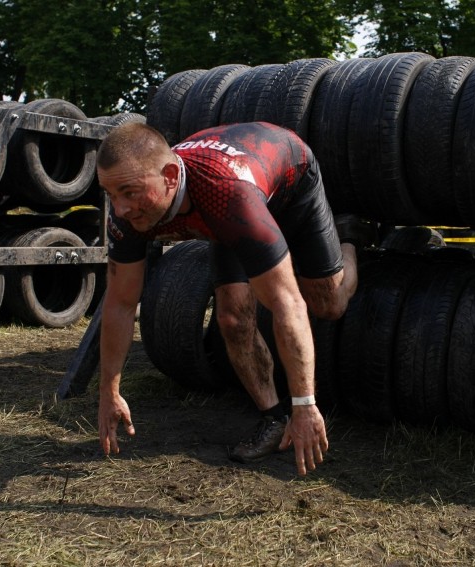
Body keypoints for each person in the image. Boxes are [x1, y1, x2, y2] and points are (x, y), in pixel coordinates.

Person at [96, 121, 375, 476]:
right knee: (232, 319)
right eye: (110, 194)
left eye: (129, 193)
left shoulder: (226, 194)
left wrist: (306, 405)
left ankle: (349, 238)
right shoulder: (129, 213)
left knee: (328, 304)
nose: (119, 208)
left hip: (290, 179)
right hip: (225, 210)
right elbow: (120, 303)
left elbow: (286, 302)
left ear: (169, 176)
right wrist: (109, 390)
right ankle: (274, 418)